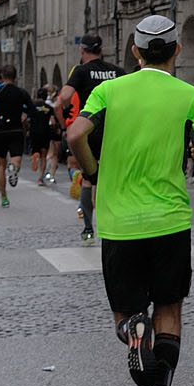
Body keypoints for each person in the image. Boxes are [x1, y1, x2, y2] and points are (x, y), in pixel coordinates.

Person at [64, 15, 194, 386]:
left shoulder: (108, 90)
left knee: (127, 311)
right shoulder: (191, 97)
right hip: (170, 220)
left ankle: (133, 330)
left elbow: (75, 132)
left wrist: (93, 170)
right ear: (176, 51)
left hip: (118, 222)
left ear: (135, 52)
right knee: (170, 310)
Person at [59, 37, 122, 244]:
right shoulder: (116, 70)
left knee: (88, 178)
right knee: (113, 176)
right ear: (102, 50)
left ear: (82, 50)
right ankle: (112, 223)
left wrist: (68, 113)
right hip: (115, 128)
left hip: (91, 127)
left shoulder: (81, 71)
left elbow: (65, 95)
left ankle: (88, 228)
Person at [0, 68, 37, 207]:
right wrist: (25, 115)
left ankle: (4, 197)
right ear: (16, 77)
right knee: (16, 157)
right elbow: (32, 109)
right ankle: (13, 168)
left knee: (0, 165)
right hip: (16, 128)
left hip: (0, 129)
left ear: (2, 76)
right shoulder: (21, 92)